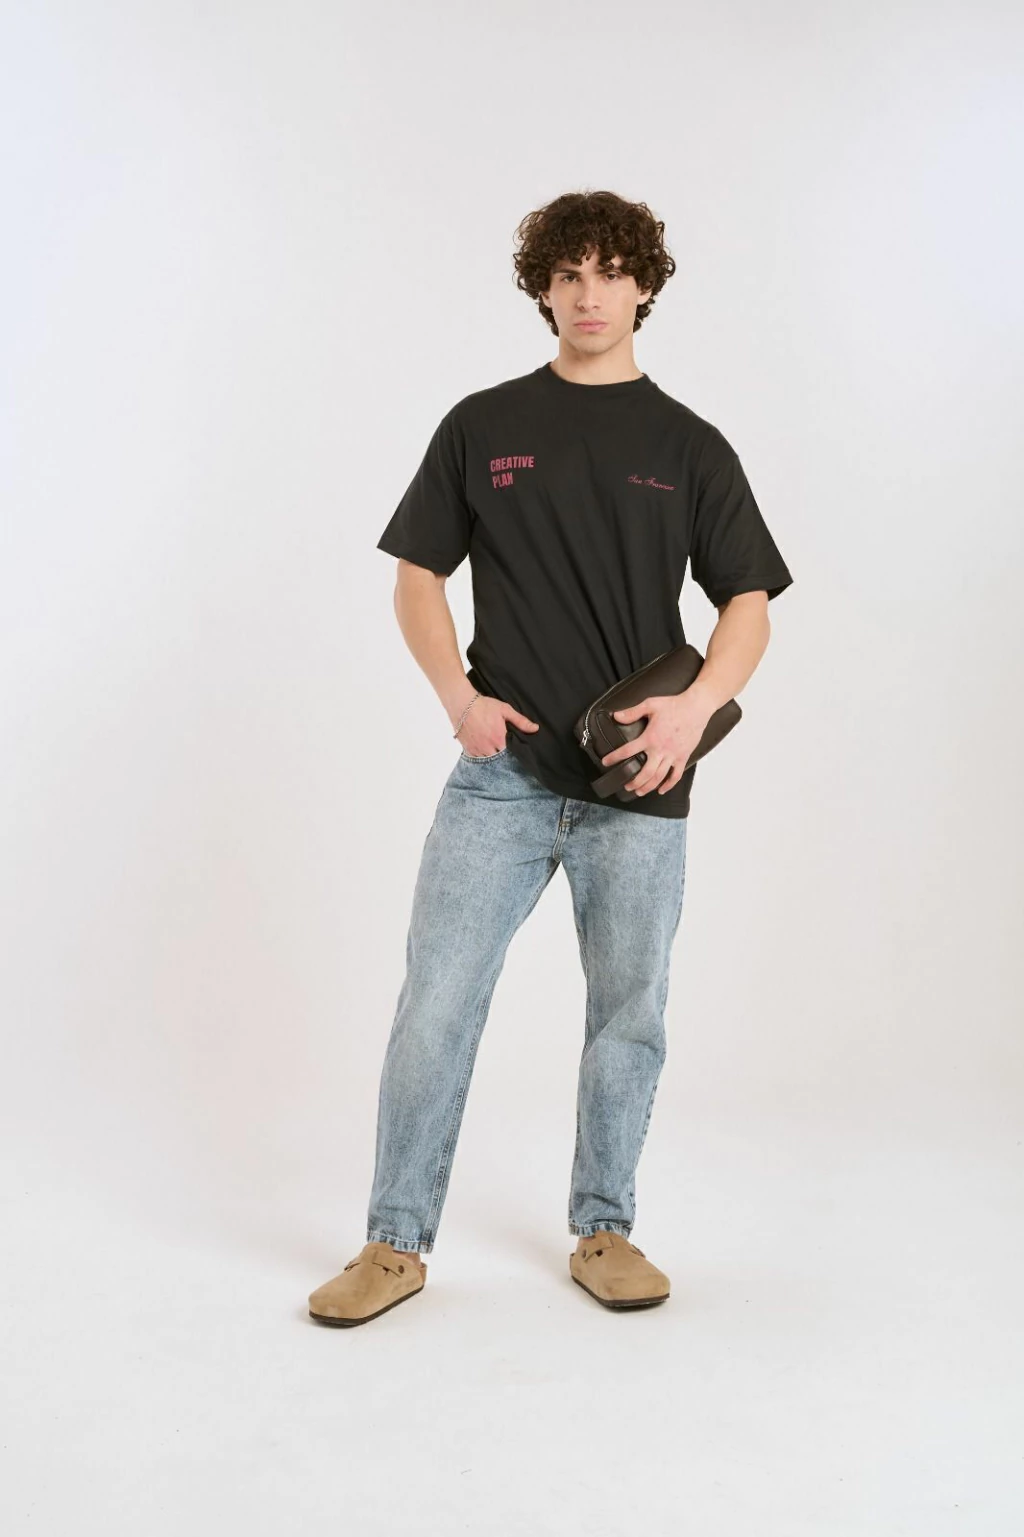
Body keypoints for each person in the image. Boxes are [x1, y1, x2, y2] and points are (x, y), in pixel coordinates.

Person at [308, 188, 794, 1327]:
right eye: (567, 274)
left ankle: (604, 1228)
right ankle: (392, 1243)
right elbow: (417, 577)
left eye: (610, 272)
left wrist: (696, 709)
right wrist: (458, 698)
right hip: (501, 779)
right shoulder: (482, 424)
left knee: (630, 1012)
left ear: (643, 287)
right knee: (436, 1003)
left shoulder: (689, 444)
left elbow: (749, 601)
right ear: (543, 288)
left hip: (640, 781)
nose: (589, 294)